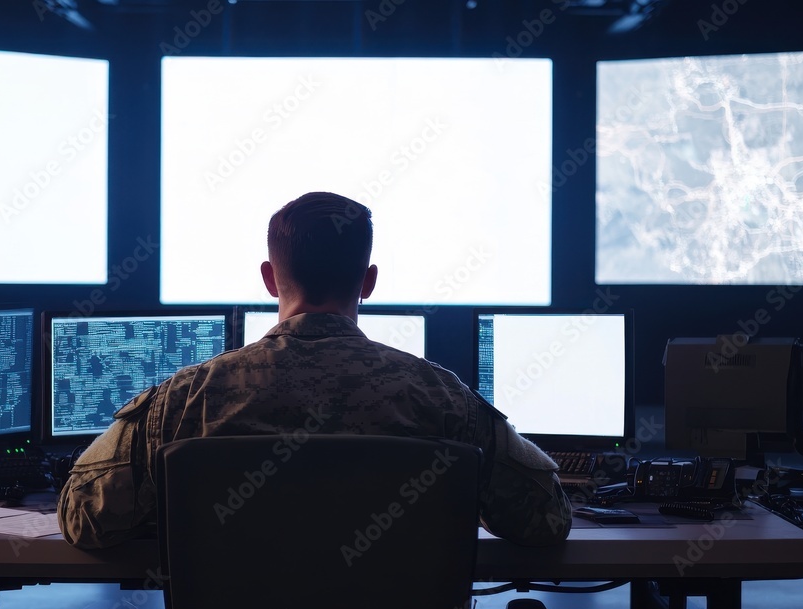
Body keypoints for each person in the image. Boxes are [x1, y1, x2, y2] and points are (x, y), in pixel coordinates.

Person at [58, 191, 571, 549]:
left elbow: (84, 519)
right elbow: (546, 518)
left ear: (268, 277)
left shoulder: (187, 400)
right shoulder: (442, 400)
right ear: (368, 282)